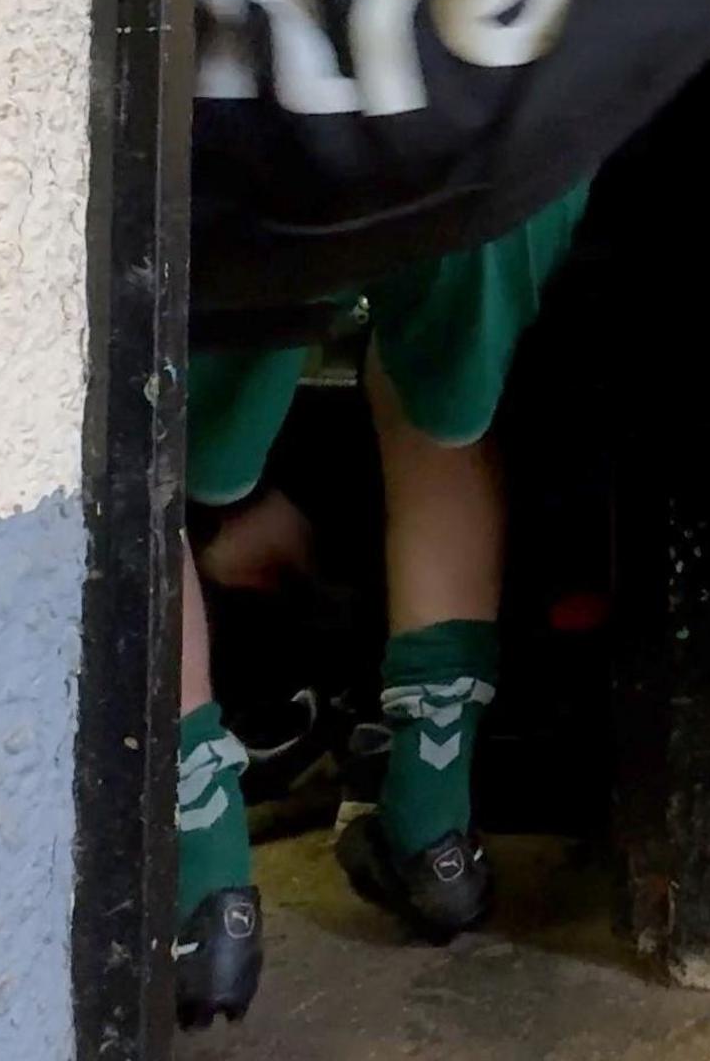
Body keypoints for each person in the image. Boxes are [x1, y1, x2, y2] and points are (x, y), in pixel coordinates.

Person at [172, 185, 592, 1027]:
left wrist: (231, 510)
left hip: (273, 133)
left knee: (133, 452)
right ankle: (435, 834)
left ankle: (202, 883)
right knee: (432, 405)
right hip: (481, 111)